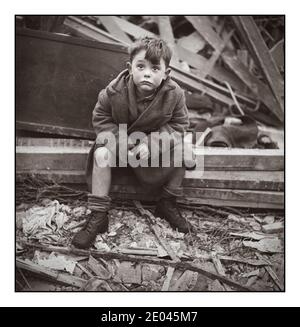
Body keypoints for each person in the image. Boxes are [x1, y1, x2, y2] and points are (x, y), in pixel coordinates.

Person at [72, 36, 192, 249]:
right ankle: (99, 214)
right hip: (120, 147)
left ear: (166, 74)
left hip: (152, 152)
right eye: (140, 66)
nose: (147, 73)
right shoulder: (113, 91)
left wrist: (150, 145)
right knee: (101, 154)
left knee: (184, 151)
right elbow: (101, 119)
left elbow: (179, 125)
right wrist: (123, 144)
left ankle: (166, 203)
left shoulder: (175, 94)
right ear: (130, 68)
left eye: (155, 69)